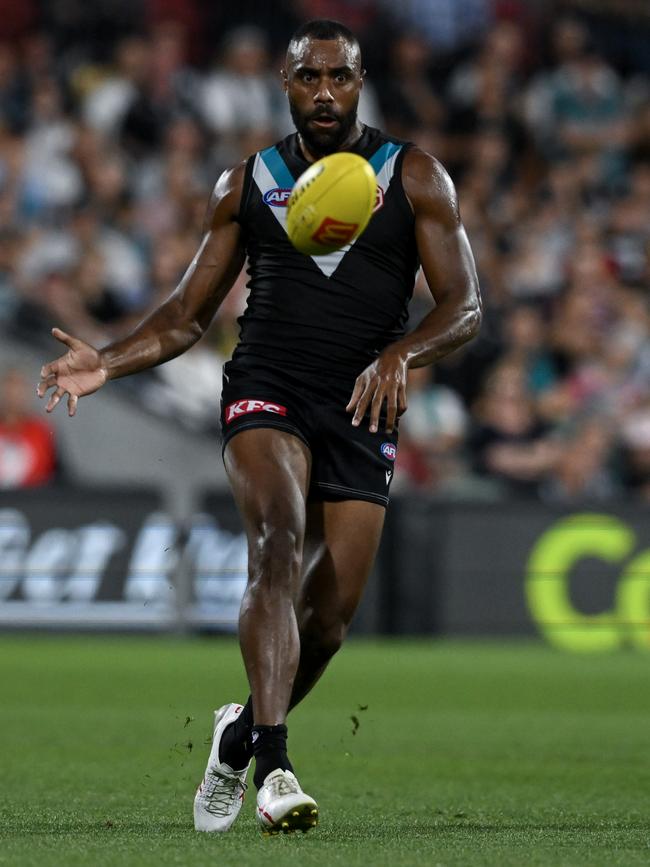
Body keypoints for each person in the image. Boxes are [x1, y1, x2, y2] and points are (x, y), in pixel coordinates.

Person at [38, 19, 481, 835]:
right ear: (284, 82)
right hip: (266, 386)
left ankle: (237, 734)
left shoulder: (414, 174)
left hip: (362, 402)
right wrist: (109, 359)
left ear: (359, 81)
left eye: (338, 78)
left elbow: (466, 305)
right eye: (308, 77)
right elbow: (183, 315)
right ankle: (275, 764)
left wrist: (402, 356)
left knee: (333, 616)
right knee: (275, 540)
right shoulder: (247, 182)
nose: (323, 92)